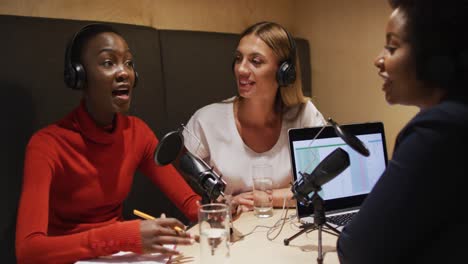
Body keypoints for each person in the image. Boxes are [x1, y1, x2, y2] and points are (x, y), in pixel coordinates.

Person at [15, 24, 200, 264]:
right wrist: (123, 236)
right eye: (108, 63)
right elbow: (29, 251)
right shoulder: (46, 145)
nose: (124, 72)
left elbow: (188, 202)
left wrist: (219, 209)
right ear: (79, 75)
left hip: (118, 255)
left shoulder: (137, 132)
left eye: (129, 63)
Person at [337, 0, 468, 263]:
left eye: (392, 46)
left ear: (433, 57)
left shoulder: (438, 130)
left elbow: (357, 251)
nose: (379, 60)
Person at [183, 21, 325, 211]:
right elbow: (183, 189)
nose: (241, 69)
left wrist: (265, 197)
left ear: (285, 72)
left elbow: (325, 184)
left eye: (255, 61)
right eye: (238, 58)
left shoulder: (305, 115)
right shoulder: (206, 121)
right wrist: (224, 203)